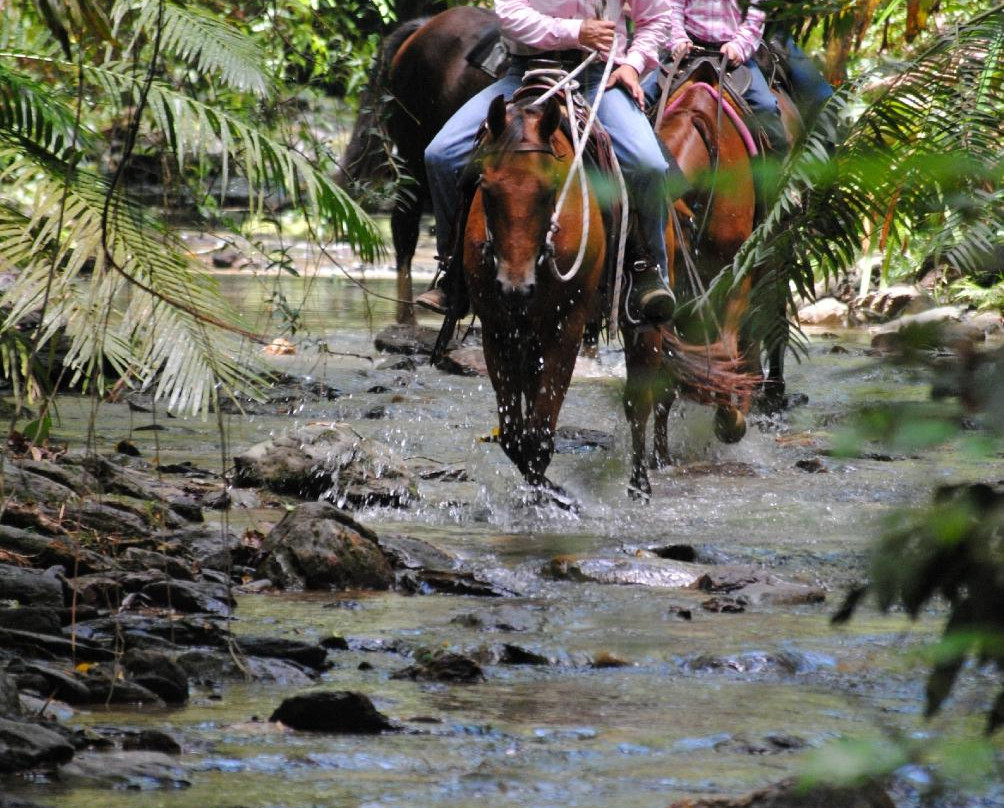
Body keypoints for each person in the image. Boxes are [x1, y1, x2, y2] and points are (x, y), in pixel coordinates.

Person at [417, 0, 686, 324]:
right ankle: (453, 273)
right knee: (441, 155)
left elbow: (655, 18)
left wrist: (633, 63)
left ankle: (649, 271)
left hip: (597, 77)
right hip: (525, 74)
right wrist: (577, 31)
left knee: (650, 166)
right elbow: (510, 14)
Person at [661, 0, 789, 158]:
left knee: (765, 106)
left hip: (733, 55)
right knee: (644, 94)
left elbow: (755, 16)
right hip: (688, 50)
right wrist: (678, 40)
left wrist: (738, 47)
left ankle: (776, 168)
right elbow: (672, 6)